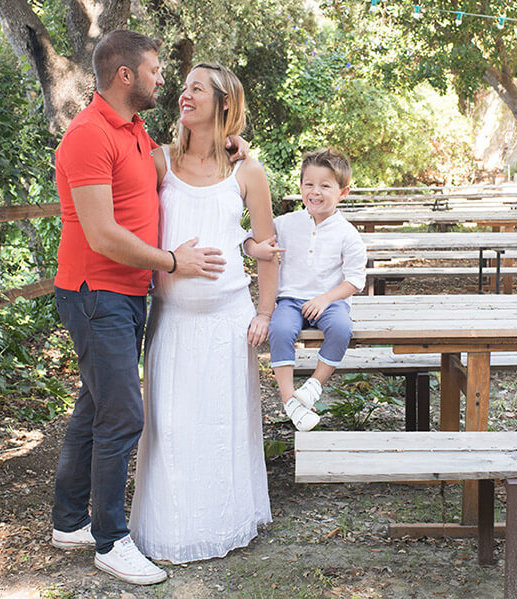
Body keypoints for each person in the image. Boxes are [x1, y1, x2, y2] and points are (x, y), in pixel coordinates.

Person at [50, 31, 247, 584]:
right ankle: (111, 540)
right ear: (126, 76)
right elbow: (102, 234)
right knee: (124, 414)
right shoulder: (88, 136)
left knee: (96, 403)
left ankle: (70, 520)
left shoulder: (133, 130)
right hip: (97, 293)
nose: (165, 80)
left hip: (127, 294)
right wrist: (170, 262)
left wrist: (235, 147)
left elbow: (185, 161)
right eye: (158, 70)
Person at [127, 62, 277, 564]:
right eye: (184, 87)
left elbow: (269, 247)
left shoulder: (247, 171)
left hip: (228, 321)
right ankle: (168, 528)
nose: (184, 95)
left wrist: (266, 311)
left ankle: (226, 520)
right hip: (171, 319)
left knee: (222, 425)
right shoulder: (160, 161)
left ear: (222, 103)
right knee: (169, 426)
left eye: (196, 89)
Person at [245, 148, 366, 431]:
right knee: (280, 329)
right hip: (291, 299)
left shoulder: (347, 233)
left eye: (325, 186)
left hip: (330, 300)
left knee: (341, 328)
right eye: (309, 184)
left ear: (343, 192)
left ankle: (314, 386)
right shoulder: (286, 224)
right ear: (300, 187)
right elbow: (250, 240)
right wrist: (255, 248)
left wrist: (326, 298)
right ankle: (290, 400)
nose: (315, 191)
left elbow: (355, 280)